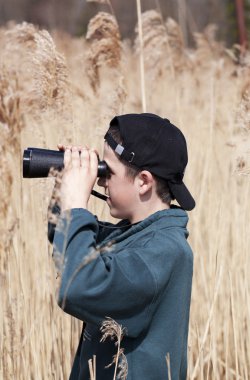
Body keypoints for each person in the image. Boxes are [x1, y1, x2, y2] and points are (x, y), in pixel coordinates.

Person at [51, 113, 195, 380]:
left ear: (143, 181)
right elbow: (68, 244)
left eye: (108, 171)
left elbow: (77, 285)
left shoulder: (164, 252)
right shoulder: (136, 236)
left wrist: (76, 206)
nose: (101, 180)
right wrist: (65, 187)